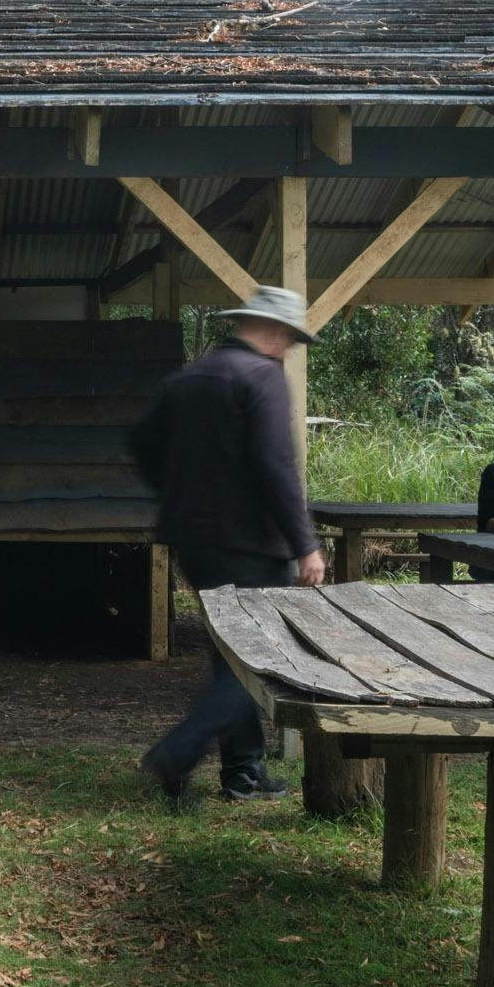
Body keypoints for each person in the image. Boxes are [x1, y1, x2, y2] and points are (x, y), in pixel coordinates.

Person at [127, 284, 325, 808]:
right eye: (289, 339)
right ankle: (177, 753)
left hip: (191, 538)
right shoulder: (262, 377)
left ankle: (243, 771)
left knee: (229, 656)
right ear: (275, 331)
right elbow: (275, 467)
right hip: (251, 543)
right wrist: (305, 544)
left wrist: (176, 491)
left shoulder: (188, 377)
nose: (288, 349)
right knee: (259, 661)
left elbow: (140, 442)